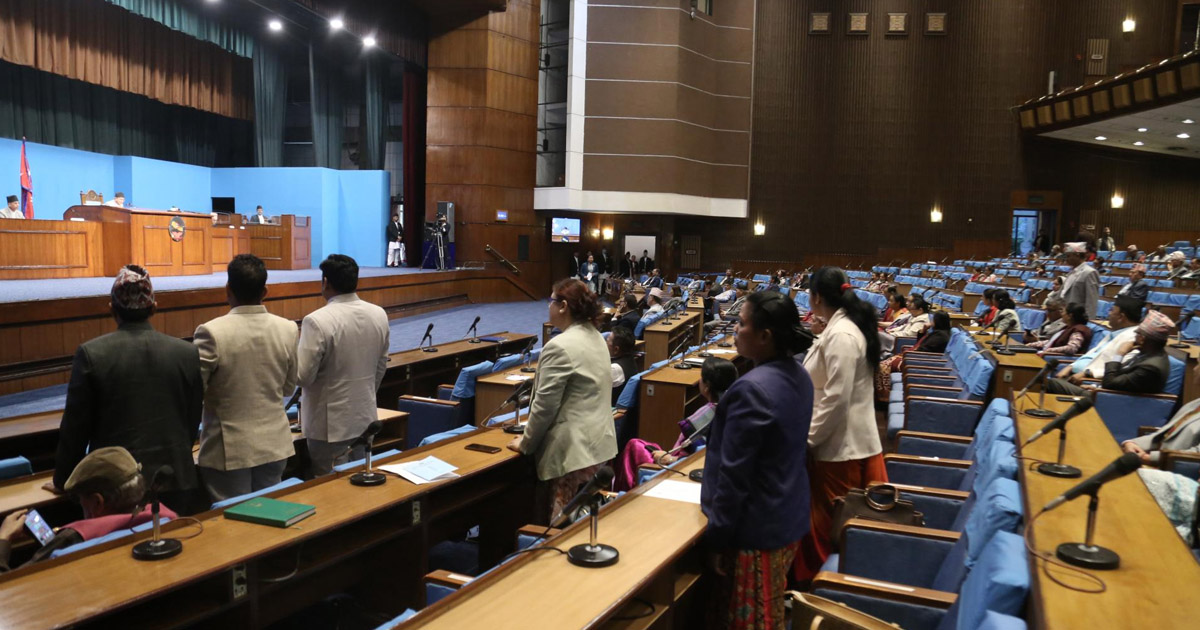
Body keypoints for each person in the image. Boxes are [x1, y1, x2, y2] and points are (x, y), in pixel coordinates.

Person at [701, 292, 813, 628]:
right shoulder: (799, 374)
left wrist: (717, 538)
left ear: (765, 336)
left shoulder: (751, 389)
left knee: (754, 622)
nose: (735, 329)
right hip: (787, 514)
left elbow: (735, 476)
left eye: (741, 323)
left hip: (757, 530)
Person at [53, 265, 202, 513]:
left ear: (111, 308)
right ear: (154, 307)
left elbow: (75, 429)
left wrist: (64, 480)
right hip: (176, 478)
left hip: (114, 487)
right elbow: (192, 420)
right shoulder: (187, 353)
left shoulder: (92, 354)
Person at [799, 267, 886, 581]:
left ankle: (823, 591)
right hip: (840, 442)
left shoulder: (842, 335)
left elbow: (837, 398)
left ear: (816, 297)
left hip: (840, 448)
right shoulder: (840, 328)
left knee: (830, 530)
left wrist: (809, 440)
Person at [506, 279, 617, 522]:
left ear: (564, 306)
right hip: (599, 445)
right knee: (584, 523)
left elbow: (544, 407)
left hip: (573, 454)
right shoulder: (596, 337)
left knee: (560, 527)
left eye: (551, 300)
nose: (548, 306)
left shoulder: (559, 346)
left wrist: (526, 443)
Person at [193, 255, 299, 502]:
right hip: (274, 444)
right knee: (271, 515)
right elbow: (288, 388)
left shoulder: (211, 332)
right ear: (265, 292)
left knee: (234, 520)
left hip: (230, 450)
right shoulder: (288, 328)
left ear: (228, 289)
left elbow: (195, 391)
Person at [1, 447, 177, 572]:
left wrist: (4, 539)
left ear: (97, 502)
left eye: (81, 501)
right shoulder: (164, 520)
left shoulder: (71, 538)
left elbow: (7, 586)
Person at [297, 255, 391, 476]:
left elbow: (303, 376)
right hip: (365, 415)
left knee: (330, 487)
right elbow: (381, 366)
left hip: (328, 425)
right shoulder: (378, 313)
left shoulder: (316, 320)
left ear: (325, 282)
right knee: (361, 479)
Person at [615, 358, 739, 493]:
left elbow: (699, 456)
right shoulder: (733, 408)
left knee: (634, 446)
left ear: (706, 387)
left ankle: (622, 496)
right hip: (687, 462)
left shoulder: (708, 415)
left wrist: (670, 458)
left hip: (679, 467)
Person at [1047, 310, 1173, 396]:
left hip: (1110, 401)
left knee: (1051, 384)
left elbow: (1111, 383)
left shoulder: (1150, 367)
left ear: (1143, 339)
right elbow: (1119, 381)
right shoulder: (1149, 355)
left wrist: (1120, 354)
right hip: (1103, 392)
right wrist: (1095, 386)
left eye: (1137, 333)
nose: (1135, 335)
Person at [1123, 363, 1200, 464]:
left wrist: (1150, 458)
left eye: (1199, 364)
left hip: (1173, 467)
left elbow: (1196, 454)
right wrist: (1133, 443)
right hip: (1157, 457)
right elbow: (1167, 433)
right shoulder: (1196, 403)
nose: (1194, 368)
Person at [1054, 295, 1143, 381]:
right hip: (1073, 374)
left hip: (1088, 380)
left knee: (1050, 384)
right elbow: (1092, 355)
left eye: (1111, 310)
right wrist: (1070, 366)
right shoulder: (1114, 334)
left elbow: (1121, 367)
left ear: (1121, 317)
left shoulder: (1134, 338)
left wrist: (1087, 373)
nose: (1108, 313)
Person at [875, 311, 952, 400]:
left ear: (937, 321)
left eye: (933, 320)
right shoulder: (938, 332)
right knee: (882, 363)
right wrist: (923, 331)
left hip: (918, 361)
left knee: (882, 367)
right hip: (913, 357)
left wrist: (909, 354)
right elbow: (921, 344)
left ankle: (883, 398)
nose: (931, 322)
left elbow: (923, 350)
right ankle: (881, 396)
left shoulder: (941, 336)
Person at [1060, 242, 1099, 319]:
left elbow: (1091, 301)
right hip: (1067, 317)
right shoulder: (1071, 272)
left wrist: (1088, 322)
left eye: (1068, 256)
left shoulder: (1089, 272)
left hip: (1078, 318)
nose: (1066, 259)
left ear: (1077, 255)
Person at [608, 326, 639, 405]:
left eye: (607, 341)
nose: (604, 343)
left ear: (616, 349)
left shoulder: (615, 368)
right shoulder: (629, 358)